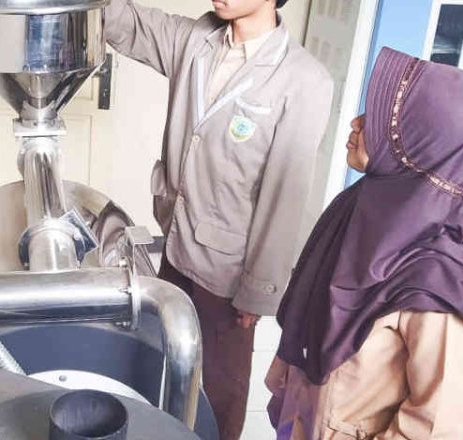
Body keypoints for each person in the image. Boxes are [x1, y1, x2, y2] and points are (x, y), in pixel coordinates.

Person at [103, 1, 333, 438]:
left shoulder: (304, 80)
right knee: (165, 364)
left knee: (219, 392)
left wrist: (258, 291)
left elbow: (284, 196)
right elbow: (126, 24)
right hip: (176, 244)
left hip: (228, 270)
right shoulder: (195, 39)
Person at [266, 47, 463, 439]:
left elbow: (437, 427)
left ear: (425, 141)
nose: (357, 122)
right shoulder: (358, 214)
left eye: (384, 119)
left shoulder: (441, 281)